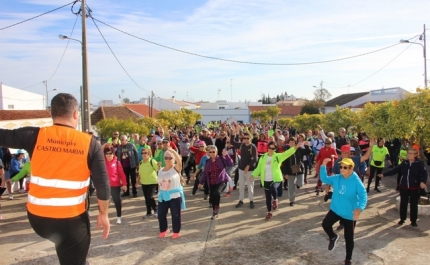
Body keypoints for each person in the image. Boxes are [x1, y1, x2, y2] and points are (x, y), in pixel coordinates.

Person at [0, 93, 110, 265]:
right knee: (73, 257)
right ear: (75, 114)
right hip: (71, 221)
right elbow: (102, 184)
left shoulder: (34, 135)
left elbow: (3, 135)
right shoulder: (89, 143)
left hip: (38, 219)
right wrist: (103, 214)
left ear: (52, 113)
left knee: (66, 247)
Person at [320, 158, 367, 265]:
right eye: (341, 167)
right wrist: (323, 165)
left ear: (351, 169)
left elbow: (363, 195)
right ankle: (333, 236)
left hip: (349, 214)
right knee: (325, 224)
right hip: (336, 209)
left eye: (345, 167)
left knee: (349, 238)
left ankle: (348, 259)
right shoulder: (337, 177)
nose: (342, 169)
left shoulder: (356, 181)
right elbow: (324, 178)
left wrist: (360, 208)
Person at [251, 141, 302, 220]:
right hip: (265, 180)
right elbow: (258, 168)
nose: (271, 150)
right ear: (267, 148)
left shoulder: (277, 156)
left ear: (275, 149)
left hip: (276, 179)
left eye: (272, 148)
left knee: (273, 188)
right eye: (269, 148)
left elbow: (286, 154)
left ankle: (275, 199)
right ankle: (269, 212)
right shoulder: (263, 157)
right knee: (268, 198)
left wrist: (295, 148)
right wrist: (253, 175)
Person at [378, 148, 428, 227]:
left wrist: (423, 182)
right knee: (403, 204)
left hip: (414, 188)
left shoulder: (419, 164)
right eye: (409, 153)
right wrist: (384, 174)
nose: (409, 155)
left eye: (411, 153)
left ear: (415, 155)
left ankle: (413, 221)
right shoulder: (405, 163)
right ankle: (402, 219)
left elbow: (424, 174)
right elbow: (396, 170)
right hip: (404, 187)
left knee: (414, 205)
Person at [157, 149, 186, 239]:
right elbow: (159, 184)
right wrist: (159, 194)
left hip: (174, 196)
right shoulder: (161, 170)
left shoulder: (176, 169)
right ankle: (164, 229)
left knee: (175, 215)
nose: (168, 160)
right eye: (166, 158)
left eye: (170, 158)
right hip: (163, 196)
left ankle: (176, 231)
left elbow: (180, 162)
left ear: (174, 159)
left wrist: (173, 152)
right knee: (161, 214)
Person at [198, 145, 233, 219]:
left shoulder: (221, 159)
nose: (212, 153)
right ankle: (215, 212)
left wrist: (226, 156)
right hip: (211, 182)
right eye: (210, 152)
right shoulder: (208, 162)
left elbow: (230, 164)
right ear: (208, 153)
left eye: (213, 152)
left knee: (216, 193)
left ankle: (216, 209)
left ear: (216, 152)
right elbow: (205, 173)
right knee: (212, 197)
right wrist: (201, 182)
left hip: (221, 181)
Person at [231, 126, 258, 209]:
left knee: (250, 186)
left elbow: (255, 159)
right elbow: (232, 142)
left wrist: (248, 166)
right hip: (241, 169)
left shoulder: (253, 147)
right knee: (241, 186)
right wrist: (233, 134)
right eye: (244, 138)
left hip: (250, 170)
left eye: (247, 138)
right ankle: (241, 200)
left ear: (250, 138)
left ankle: (251, 200)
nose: (246, 139)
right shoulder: (242, 145)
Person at [283, 137, 311, 206]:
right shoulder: (286, 152)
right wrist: (285, 173)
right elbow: (284, 164)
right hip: (290, 171)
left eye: (293, 142)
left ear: (295, 143)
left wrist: (307, 146)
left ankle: (298, 185)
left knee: (300, 184)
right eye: (290, 142)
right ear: (288, 143)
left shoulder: (299, 150)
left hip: (299, 170)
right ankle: (292, 200)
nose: (292, 143)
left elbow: (308, 152)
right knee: (291, 186)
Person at [103, 144, 127, 224]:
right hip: (105, 185)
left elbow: (122, 174)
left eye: (110, 153)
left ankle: (119, 217)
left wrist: (124, 184)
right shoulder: (102, 162)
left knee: (117, 201)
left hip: (115, 185)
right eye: (107, 153)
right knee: (103, 202)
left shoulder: (117, 162)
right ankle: (104, 217)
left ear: (113, 154)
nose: (109, 155)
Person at [137, 148, 159, 219]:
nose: (144, 154)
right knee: (146, 198)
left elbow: (159, 169)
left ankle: (156, 210)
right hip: (144, 183)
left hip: (152, 182)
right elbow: (139, 173)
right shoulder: (141, 162)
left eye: (145, 153)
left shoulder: (152, 161)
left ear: (149, 154)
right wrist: (137, 181)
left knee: (150, 197)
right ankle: (148, 212)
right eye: (142, 153)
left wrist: (159, 165)